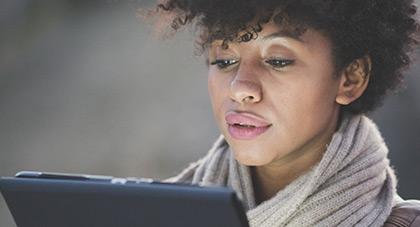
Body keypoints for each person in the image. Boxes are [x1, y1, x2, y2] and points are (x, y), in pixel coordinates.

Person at [150, 0, 420, 226]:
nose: (240, 88)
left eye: (278, 61)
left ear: (351, 78)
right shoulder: (150, 214)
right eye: (224, 60)